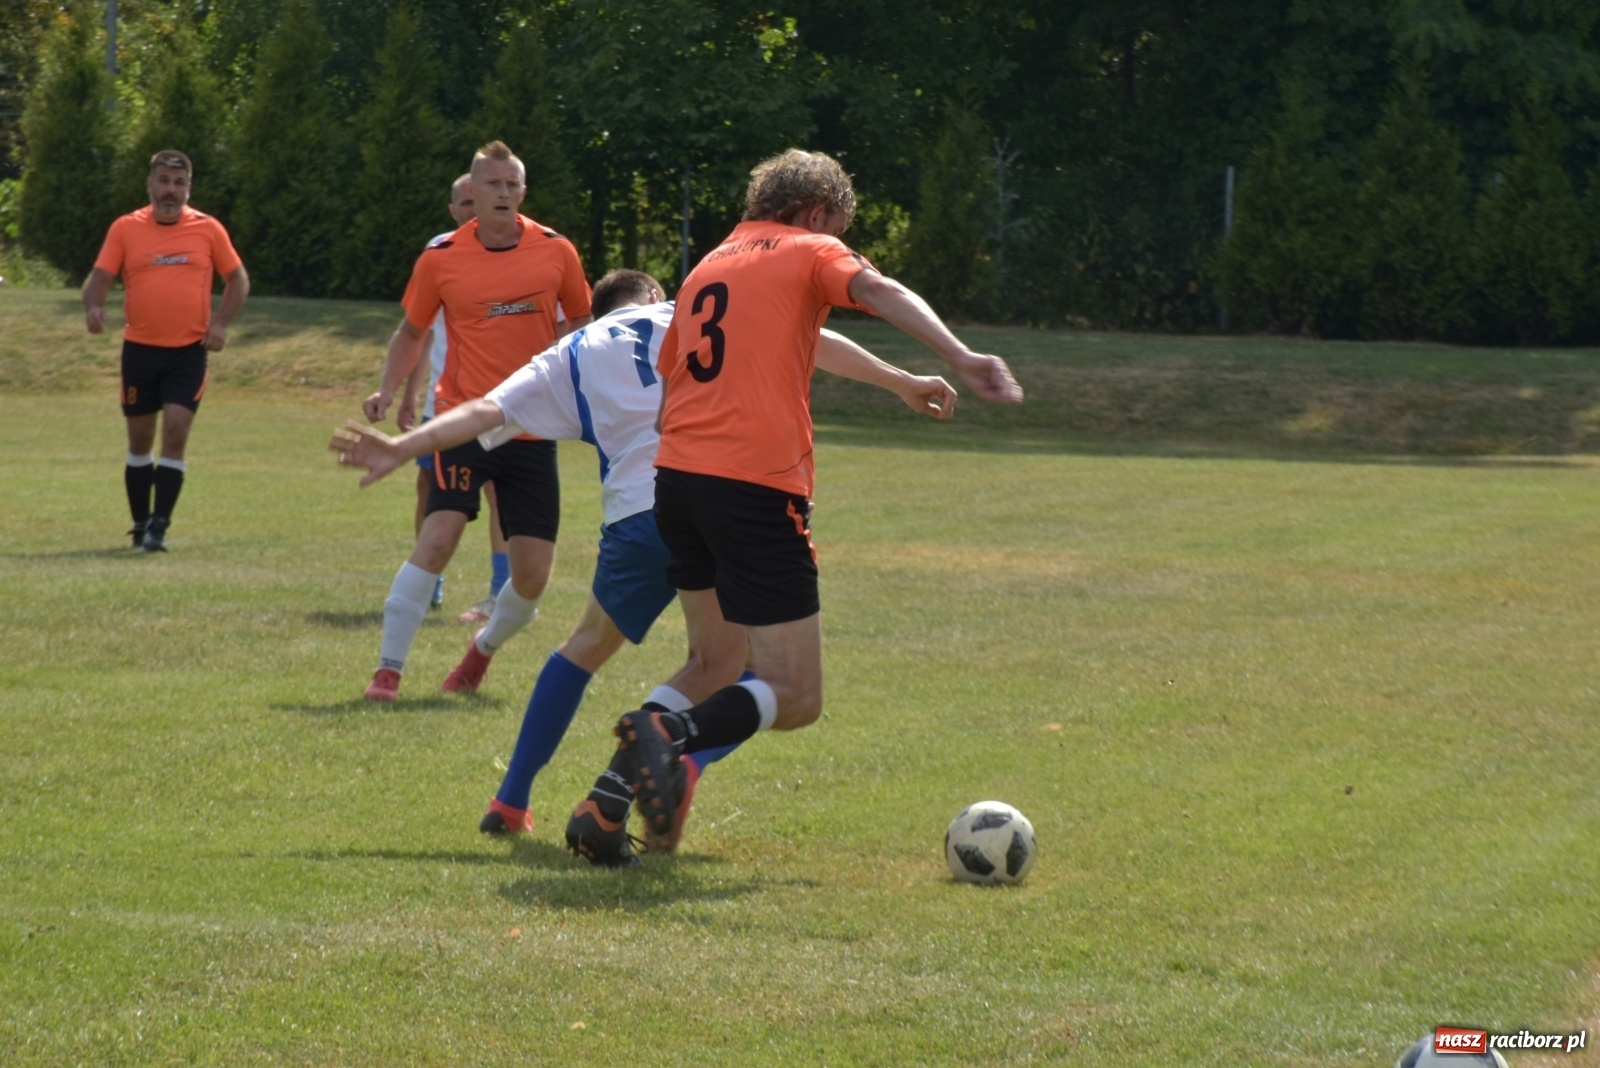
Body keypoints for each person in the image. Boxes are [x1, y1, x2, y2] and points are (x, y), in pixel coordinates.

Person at [329, 268, 960, 865]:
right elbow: (811, 337)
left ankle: (511, 800)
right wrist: (902, 380)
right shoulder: (689, 309)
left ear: (596, 313)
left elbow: (483, 412)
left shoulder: (571, 350)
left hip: (640, 516)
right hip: (726, 493)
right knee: (748, 672)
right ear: (655, 293)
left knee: (587, 646)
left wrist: (403, 446)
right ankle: (679, 762)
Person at [597, 148, 1023, 850]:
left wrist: (899, 382)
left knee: (712, 664)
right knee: (795, 696)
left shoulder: (713, 263)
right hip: (754, 486)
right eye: (843, 230)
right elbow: (880, 294)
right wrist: (960, 355)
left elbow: (695, 374)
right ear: (818, 214)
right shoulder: (811, 248)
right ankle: (668, 732)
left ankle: (604, 804)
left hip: (675, 480)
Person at [359, 140, 591, 701]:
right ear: (472, 192)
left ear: (523, 193)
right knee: (438, 537)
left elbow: (582, 323)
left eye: (513, 185)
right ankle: (387, 671)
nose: (504, 193)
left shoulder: (558, 252)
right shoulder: (440, 257)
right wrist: (387, 389)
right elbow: (413, 332)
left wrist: (578, 389)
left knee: (532, 577)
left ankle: (477, 657)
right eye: (493, 184)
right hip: (462, 420)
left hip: (532, 428)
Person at [82, 149, 250, 552]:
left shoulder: (208, 230)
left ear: (188, 189)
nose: (169, 190)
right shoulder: (126, 228)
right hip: (139, 351)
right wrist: (94, 306)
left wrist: (221, 323)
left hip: (187, 353)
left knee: (175, 434)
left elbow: (238, 279)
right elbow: (98, 278)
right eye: (163, 181)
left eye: (178, 183)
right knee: (140, 442)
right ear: (150, 185)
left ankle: (159, 527)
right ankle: (140, 523)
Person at [391, 174, 510, 616]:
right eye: (463, 202)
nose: (471, 210)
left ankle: (500, 588)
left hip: (498, 402)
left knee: (500, 491)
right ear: (456, 207)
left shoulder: (518, 246)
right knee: (430, 488)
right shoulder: (439, 251)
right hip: (442, 403)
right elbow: (419, 332)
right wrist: (408, 394)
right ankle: (431, 580)